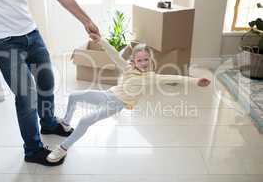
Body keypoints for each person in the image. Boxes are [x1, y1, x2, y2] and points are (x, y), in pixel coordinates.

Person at [0, 0, 100, 166]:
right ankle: (33, 149)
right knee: (26, 96)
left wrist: (86, 20)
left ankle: (48, 123)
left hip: (30, 32)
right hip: (2, 40)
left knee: (46, 80)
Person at [46, 37, 211, 163]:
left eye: (146, 59)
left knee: (85, 120)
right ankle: (66, 123)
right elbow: (112, 54)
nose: (144, 63)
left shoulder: (151, 77)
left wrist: (195, 81)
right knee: (74, 96)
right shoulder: (127, 68)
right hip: (108, 94)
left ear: (150, 60)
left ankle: (63, 148)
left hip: (116, 104)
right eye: (140, 60)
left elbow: (173, 77)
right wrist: (100, 39)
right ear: (134, 61)